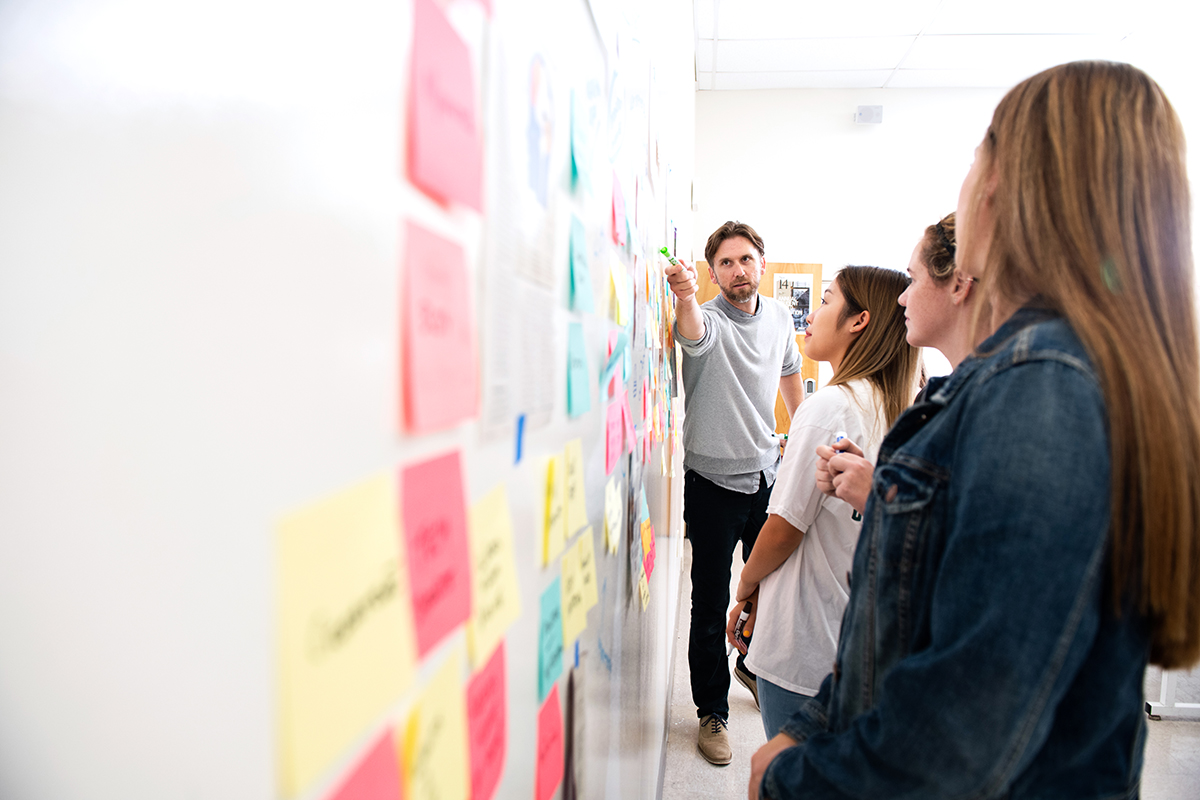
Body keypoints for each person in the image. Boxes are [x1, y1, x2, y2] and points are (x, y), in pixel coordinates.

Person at [748, 60, 1200, 800]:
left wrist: (797, 776)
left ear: (1010, 187)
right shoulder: (1024, 378)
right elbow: (896, 636)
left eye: (977, 154)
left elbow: (967, 721)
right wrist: (815, 725)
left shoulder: (1044, 389)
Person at [726, 265, 920, 740]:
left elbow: (784, 527)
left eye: (828, 300)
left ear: (859, 321)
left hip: (805, 646)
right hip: (859, 644)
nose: (811, 314)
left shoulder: (830, 406)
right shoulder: (903, 406)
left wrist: (745, 586)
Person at [665, 221, 806, 765]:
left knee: (770, 590)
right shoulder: (711, 319)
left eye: (745, 259)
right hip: (712, 485)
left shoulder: (777, 316)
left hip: (766, 475)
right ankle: (711, 711)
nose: (737, 271)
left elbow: (792, 372)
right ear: (712, 272)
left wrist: (801, 432)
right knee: (710, 602)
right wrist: (683, 295)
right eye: (724, 263)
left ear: (762, 263)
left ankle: (751, 665)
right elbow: (694, 333)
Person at [815, 212, 977, 513]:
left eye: (913, 280)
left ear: (958, 285)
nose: (902, 299)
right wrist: (875, 483)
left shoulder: (986, 404)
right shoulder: (941, 397)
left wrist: (874, 498)